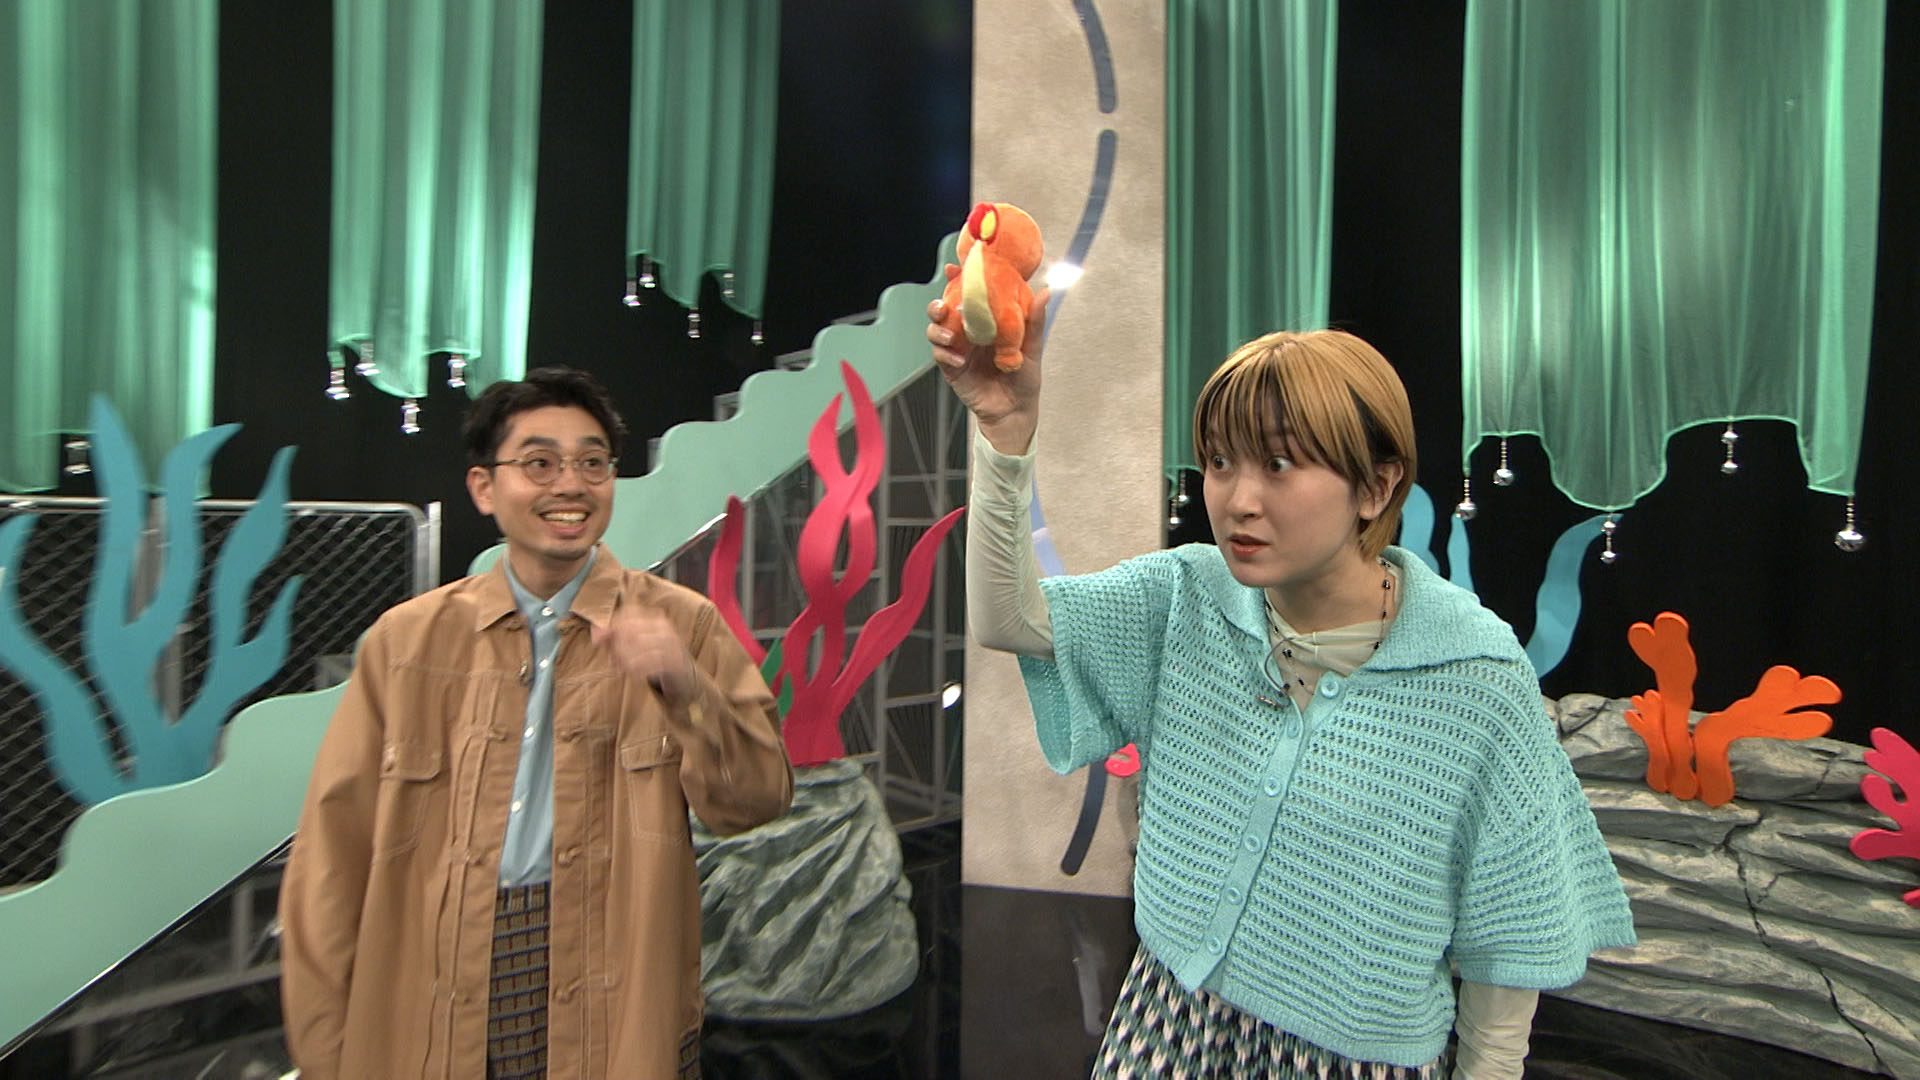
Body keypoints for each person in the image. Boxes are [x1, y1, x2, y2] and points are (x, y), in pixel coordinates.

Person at [929, 301, 1635, 1079]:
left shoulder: (1475, 678)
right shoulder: (1185, 596)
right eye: (1219, 462)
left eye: (1278, 464)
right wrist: (1004, 431)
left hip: (1350, 1060)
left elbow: (1511, 941)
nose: (1237, 499)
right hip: (1166, 1023)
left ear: (1376, 486)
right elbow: (1009, 618)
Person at [279, 367, 794, 1080]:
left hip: (610, 978)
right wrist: (325, 1051)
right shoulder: (406, 642)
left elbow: (757, 801)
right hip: (434, 981)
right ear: (484, 488)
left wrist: (685, 685)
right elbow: (330, 864)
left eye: (593, 463)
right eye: (540, 464)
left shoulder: (683, 624)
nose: (571, 485)